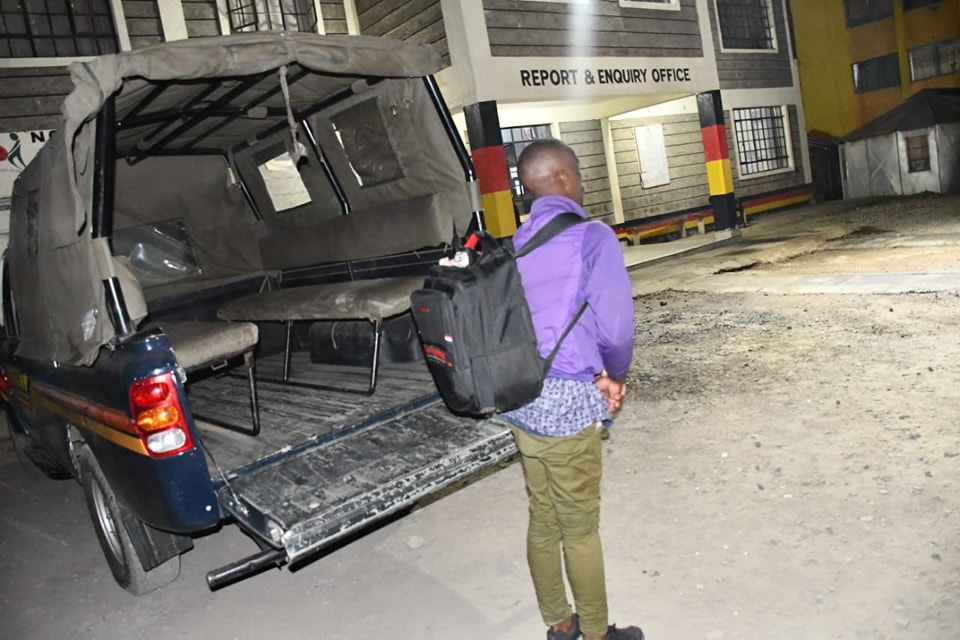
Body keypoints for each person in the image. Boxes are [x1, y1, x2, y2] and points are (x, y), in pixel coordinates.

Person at [503, 138, 643, 640]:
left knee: (544, 515)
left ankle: (560, 625)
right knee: (580, 527)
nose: (581, 184)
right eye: (578, 174)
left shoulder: (515, 243)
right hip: (566, 405)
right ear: (563, 178)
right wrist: (615, 374)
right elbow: (616, 328)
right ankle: (599, 634)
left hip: (521, 400)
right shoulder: (591, 236)